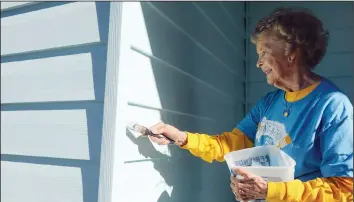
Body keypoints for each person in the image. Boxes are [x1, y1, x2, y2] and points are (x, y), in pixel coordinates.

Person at [148, 7, 353, 202]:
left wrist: (269, 191)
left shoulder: (333, 105)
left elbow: (344, 189)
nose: (258, 62)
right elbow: (229, 146)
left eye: (264, 52)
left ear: (292, 51)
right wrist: (182, 138)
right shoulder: (268, 103)